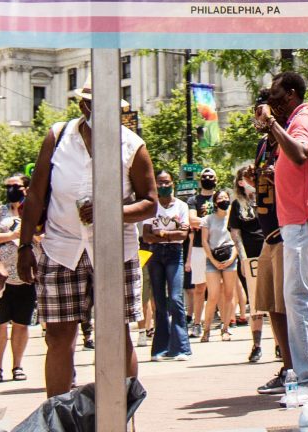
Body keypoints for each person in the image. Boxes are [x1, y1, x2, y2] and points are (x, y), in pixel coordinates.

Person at [17, 86, 155, 398]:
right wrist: (26, 246)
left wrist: (111, 210)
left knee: (115, 334)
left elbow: (149, 203)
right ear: (84, 106)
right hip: (61, 247)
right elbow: (37, 194)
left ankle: (121, 415)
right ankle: (59, 416)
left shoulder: (132, 145)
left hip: (113, 252)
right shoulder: (57, 136)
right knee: (59, 336)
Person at [258, 73, 308, 402]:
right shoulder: (305, 117)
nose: (271, 100)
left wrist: (272, 126)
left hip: (304, 222)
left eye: (275, 94)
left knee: (298, 299)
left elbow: (302, 153)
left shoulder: (301, 120)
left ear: (289, 94)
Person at [248, 103, 292, 395]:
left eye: (260, 113)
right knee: (271, 304)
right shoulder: (264, 146)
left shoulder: (290, 136)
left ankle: (302, 368)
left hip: (290, 232)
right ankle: (288, 367)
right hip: (270, 235)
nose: (257, 119)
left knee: (292, 304)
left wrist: (280, 174)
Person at [142, 169, 192, 361]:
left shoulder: (181, 206)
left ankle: (181, 348)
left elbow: (183, 235)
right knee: (159, 301)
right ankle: (160, 348)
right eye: (159, 183)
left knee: (175, 297)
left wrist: (161, 234)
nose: (163, 186)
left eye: (166, 182)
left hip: (174, 254)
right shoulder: (152, 207)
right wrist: (170, 233)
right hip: (155, 254)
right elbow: (146, 235)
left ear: (173, 183)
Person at [0, 175, 33, 383]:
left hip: (26, 276)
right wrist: (12, 236)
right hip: (2, 277)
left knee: (21, 324)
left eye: (15, 186)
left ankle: (17, 365)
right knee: (1, 324)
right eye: (8, 187)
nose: (11, 190)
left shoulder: (33, 210)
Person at [227, 164, 268, 361]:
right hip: (250, 259)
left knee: (275, 302)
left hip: (269, 253)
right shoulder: (237, 205)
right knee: (255, 303)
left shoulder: (265, 199)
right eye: (244, 179)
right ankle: (257, 345)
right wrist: (243, 259)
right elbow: (236, 234)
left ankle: (279, 344)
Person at [194, 193, 239, 343]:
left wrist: (232, 258)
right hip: (212, 259)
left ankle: (225, 328)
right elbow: (204, 242)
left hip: (230, 257)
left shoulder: (232, 217)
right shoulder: (208, 219)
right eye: (220, 199)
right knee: (212, 295)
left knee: (228, 294)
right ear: (214, 202)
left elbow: (237, 239)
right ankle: (206, 330)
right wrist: (212, 260)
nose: (223, 201)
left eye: (226, 198)